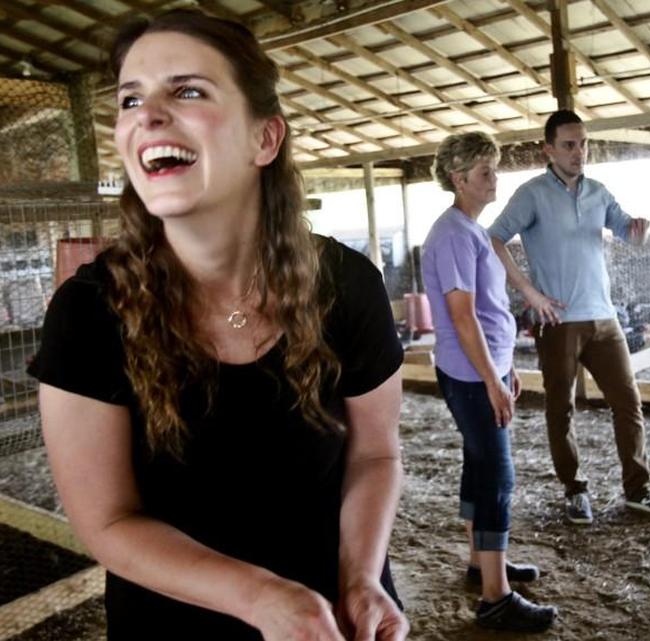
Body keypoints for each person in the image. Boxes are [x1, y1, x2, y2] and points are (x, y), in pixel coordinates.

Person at [28, 10, 409, 640]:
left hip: (335, 616)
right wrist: (261, 598)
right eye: (130, 98)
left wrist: (360, 578)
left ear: (264, 139)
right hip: (174, 624)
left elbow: (375, 452)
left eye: (187, 90)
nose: (147, 114)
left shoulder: (345, 284)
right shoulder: (89, 312)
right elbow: (109, 522)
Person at [488, 110, 650, 525]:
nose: (579, 153)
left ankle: (639, 490)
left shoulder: (598, 191)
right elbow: (494, 238)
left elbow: (627, 234)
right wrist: (528, 292)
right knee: (561, 408)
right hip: (557, 319)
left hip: (603, 315)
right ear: (548, 149)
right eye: (569, 145)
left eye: (584, 144)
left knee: (628, 403)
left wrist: (639, 232)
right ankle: (575, 491)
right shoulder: (531, 194)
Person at [422, 132, 558, 633]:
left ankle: (483, 562)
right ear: (459, 180)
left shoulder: (470, 229)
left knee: (479, 465)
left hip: (481, 369)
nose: (493, 178)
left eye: (493, 169)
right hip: (470, 373)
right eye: (484, 172)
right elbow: (462, 316)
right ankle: (495, 598)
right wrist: (491, 381)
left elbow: (487, 309)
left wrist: (506, 368)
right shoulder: (455, 234)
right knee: (498, 476)